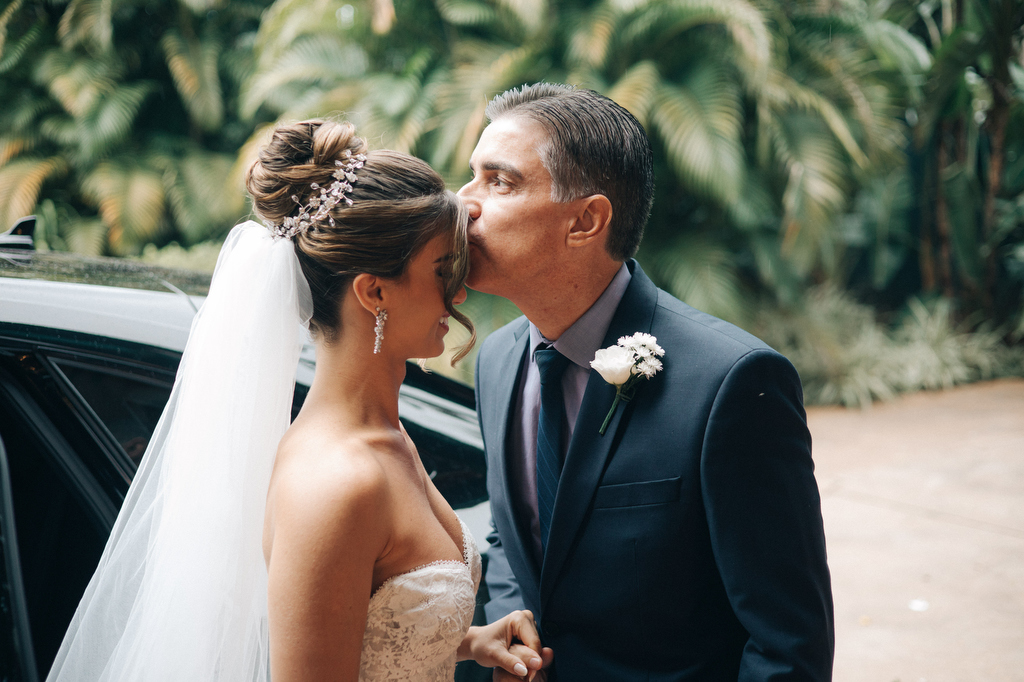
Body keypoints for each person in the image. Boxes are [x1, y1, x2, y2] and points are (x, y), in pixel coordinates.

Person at [47, 120, 546, 682]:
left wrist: (469, 642)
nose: (458, 292)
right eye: (441, 269)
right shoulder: (335, 482)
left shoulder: (385, 436)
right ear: (374, 291)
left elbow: (371, 631)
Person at [459, 83, 834, 681]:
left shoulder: (733, 383)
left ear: (586, 220)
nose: (464, 202)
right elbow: (513, 534)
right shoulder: (498, 361)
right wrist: (514, 633)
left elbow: (787, 644)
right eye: (471, 175)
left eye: (499, 181)